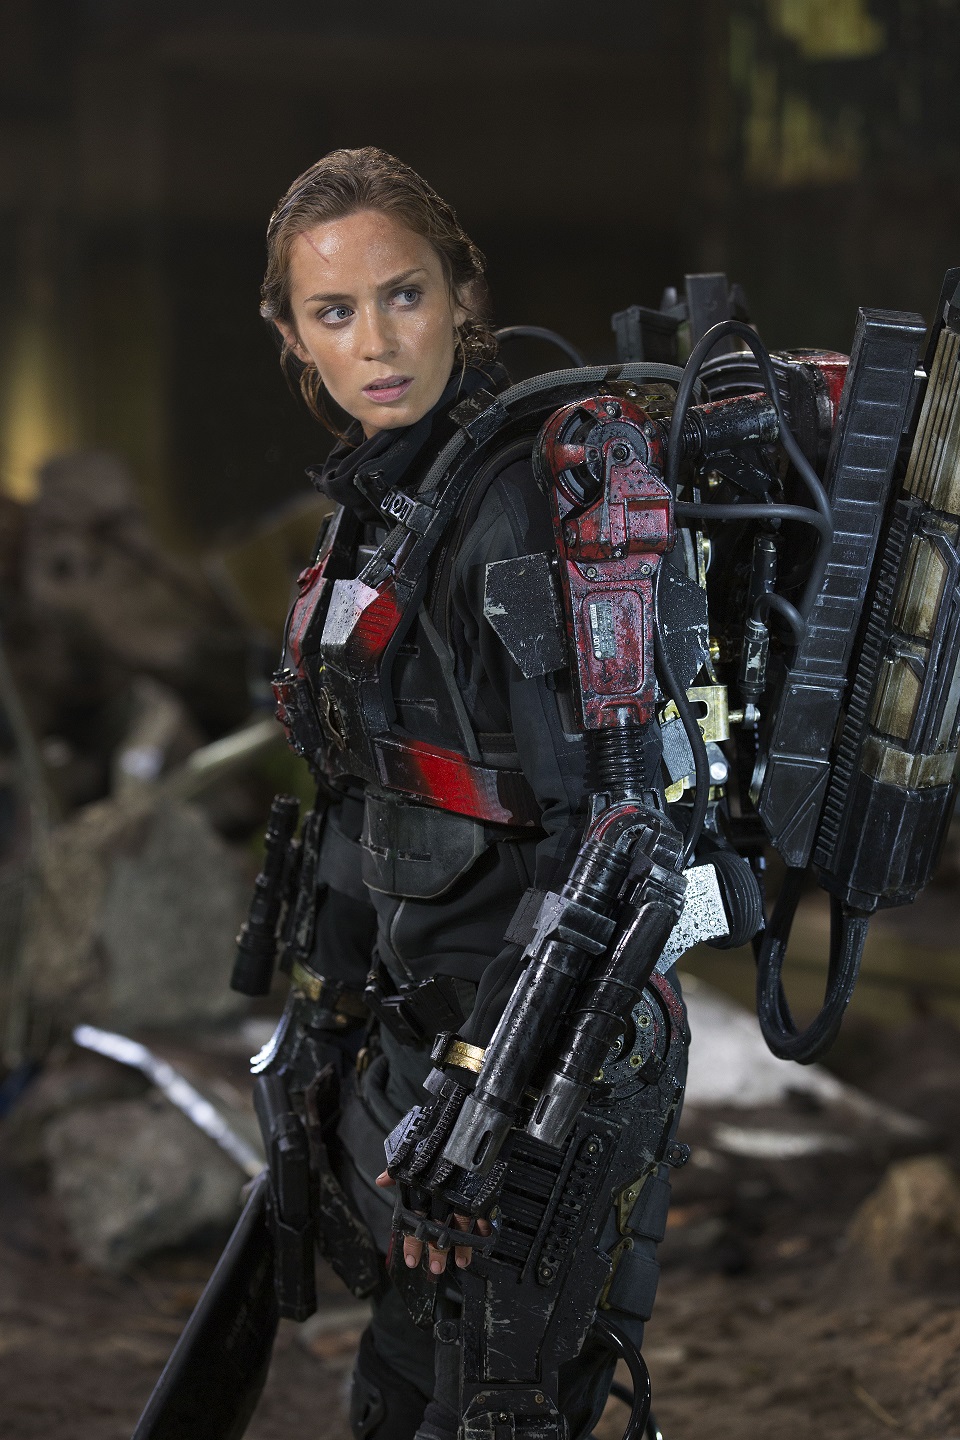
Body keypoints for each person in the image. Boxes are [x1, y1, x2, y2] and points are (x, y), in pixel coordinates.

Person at [258, 146, 688, 1440]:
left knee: (496, 1409)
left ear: (461, 295)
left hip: (535, 1060)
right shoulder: (384, 503)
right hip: (421, 1043)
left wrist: (482, 1094)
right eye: (336, 311)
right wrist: (326, 1014)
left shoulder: (517, 506)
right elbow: (363, 792)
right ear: (292, 334)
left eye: (406, 295)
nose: (378, 342)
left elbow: (611, 835)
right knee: (401, 1389)